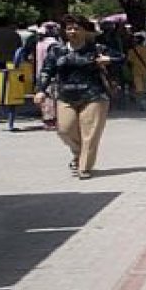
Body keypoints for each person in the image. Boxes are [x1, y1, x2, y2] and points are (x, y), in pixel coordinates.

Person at [33, 15, 122, 179]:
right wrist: (40, 90)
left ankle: (84, 167)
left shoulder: (97, 49)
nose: (73, 31)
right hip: (65, 95)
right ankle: (78, 153)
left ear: (85, 31)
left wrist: (108, 59)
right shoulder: (57, 50)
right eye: (69, 28)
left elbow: (121, 59)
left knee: (90, 133)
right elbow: (47, 70)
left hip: (94, 95)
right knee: (65, 129)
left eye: (77, 28)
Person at [0, 17, 22, 106]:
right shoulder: (15, 34)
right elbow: (20, 48)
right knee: (10, 80)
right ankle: (9, 97)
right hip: (12, 61)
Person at [32, 22, 61, 130]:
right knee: (52, 96)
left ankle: (47, 119)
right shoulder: (54, 44)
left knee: (45, 96)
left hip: (40, 72)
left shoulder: (39, 43)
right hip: (52, 74)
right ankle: (52, 120)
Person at [125, 32, 146, 111]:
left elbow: (129, 62)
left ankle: (142, 105)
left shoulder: (131, 51)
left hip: (136, 72)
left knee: (139, 90)